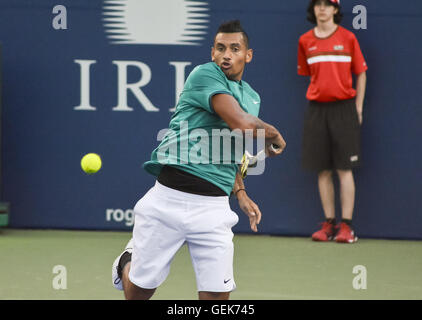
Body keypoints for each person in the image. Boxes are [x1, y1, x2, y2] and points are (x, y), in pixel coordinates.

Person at [111, 20, 286, 300]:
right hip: (167, 200)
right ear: (212, 53)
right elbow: (240, 124)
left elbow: (231, 146)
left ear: (248, 55)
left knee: (216, 301)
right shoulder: (204, 74)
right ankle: (126, 262)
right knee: (136, 295)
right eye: (220, 48)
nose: (226, 55)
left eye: (234, 48)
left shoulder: (252, 97)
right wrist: (274, 133)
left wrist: (239, 191)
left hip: (214, 209)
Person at [297, 0, 367, 243]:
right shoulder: (305, 41)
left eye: (328, 4)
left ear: (336, 9)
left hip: (344, 109)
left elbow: (361, 72)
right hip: (317, 110)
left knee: (344, 169)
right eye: (318, 4)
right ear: (313, 9)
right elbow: (307, 74)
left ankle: (346, 227)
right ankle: (328, 224)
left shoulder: (348, 39)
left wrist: (358, 108)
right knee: (323, 170)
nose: (323, 8)